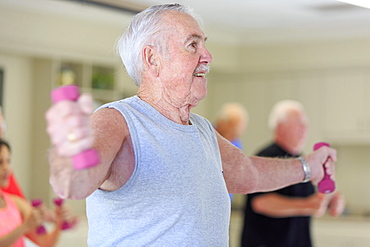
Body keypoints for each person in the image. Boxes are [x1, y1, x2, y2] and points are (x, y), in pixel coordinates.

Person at [45, 4, 337, 246]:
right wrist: (67, 149)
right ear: (153, 60)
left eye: (204, 45)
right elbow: (74, 183)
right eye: (192, 44)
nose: (207, 56)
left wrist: (309, 167)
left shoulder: (202, 129)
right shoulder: (118, 120)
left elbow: (248, 173)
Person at [241, 100, 345, 247]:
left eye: (305, 124)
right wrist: (307, 205)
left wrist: (328, 204)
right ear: (280, 127)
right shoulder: (266, 157)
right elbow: (260, 202)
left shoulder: (302, 161)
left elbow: (305, 201)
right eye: (298, 123)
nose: (305, 128)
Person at [0, 139, 74, 247]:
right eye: (0, 162)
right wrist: (24, 227)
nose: (7, 168)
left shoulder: (16, 203)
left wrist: (59, 222)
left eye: (8, 161)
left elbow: (45, 243)